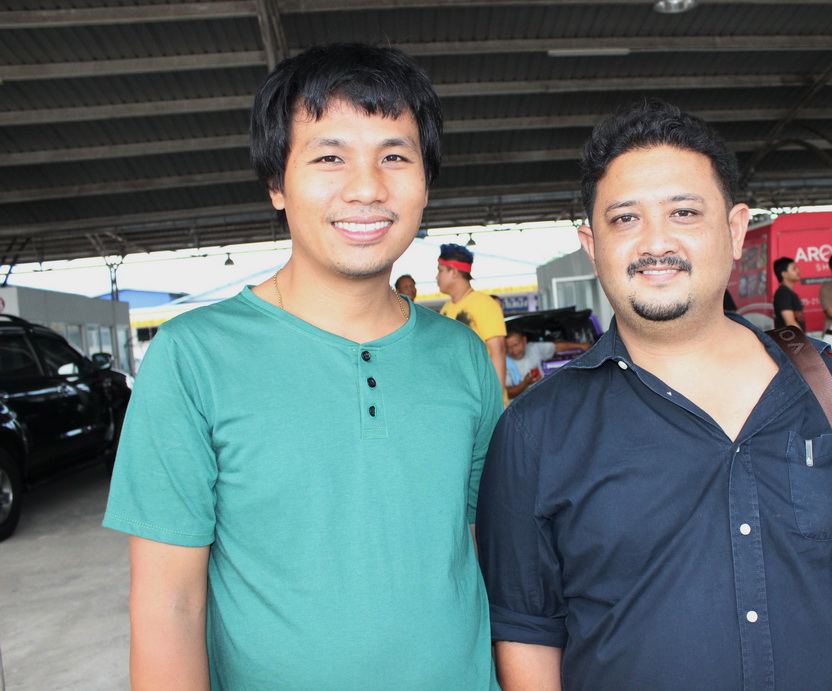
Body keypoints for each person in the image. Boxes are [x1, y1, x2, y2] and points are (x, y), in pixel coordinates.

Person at [476, 99, 832, 690]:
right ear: (592, 246)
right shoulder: (536, 429)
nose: (655, 242)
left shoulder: (824, 387)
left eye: (684, 212)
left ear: (735, 229)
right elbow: (527, 630)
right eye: (625, 219)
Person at [104, 43, 503, 690]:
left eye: (395, 157)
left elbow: (491, 553)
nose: (367, 188)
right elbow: (168, 605)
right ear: (276, 183)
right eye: (329, 157)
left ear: (426, 182)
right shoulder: (192, 356)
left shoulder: (461, 354)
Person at [437, 243, 507, 399]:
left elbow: (499, 351)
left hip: (483, 396)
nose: (437, 277)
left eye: (440, 270)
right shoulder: (446, 308)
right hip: (458, 397)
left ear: (453, 272)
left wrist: (496, 400)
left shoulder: (484, 303)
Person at [503, 323, 590, 399]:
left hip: (541, 399)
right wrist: (525, 383)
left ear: (524, 340)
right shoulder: (503, 362)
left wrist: (580, 346)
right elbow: (507, 392)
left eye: (516, 345)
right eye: (508, 347)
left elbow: (556, 347)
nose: (514, 350)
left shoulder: (533, 348)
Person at [772, 256, 806, 330]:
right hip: (791, 336)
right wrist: (802, 337)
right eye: (794, 268)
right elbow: (790, 322)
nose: (798, 271)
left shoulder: (788, 292)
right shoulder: (783, 293)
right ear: (784, 274)